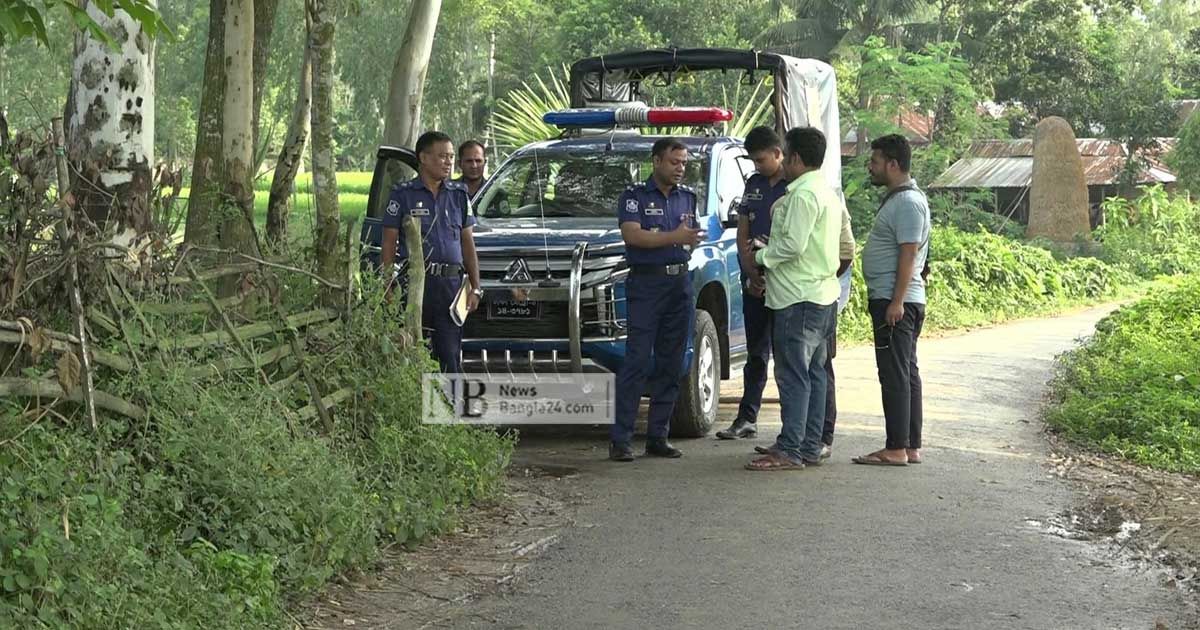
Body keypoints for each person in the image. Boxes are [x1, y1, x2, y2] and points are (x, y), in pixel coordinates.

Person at [745, 127, 841, 471]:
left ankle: (790, 449)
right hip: (820, 294)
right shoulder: (824, 191)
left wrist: (760, 256)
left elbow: (792, 246)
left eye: (786, 153)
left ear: (797, 158)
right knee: (813, 373)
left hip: (797, 296)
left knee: (793, 375)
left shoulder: (801, 196)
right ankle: (808, 444)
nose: (782, 159)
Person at [609, 137, 703, 462]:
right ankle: (621, 439)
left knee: (672, 361)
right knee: (636, 360)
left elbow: (691, 235)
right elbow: (632, 235)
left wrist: (687, 240)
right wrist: (674, 237)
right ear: (657, 161)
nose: (680, 168)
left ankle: (657, 437)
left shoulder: (687, 198)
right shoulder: (635, 197)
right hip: (646, 285)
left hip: (679, 283)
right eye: (674, 162)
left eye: (684, 163)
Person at [852, 134, 931, 467]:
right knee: (904, 369)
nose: (871, 167)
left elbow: (910, 254)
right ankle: (909, 445)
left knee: (895, 373)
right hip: (896, 297)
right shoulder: (901, 199)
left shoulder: (908, 202)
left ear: (893, 165)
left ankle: (896, 447)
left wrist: (896, 302)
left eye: (875, 161)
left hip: (895, 300)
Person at [379, 131, 483, 373]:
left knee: (449, 354)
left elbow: (468, 243)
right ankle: (418, 408)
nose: (448, 162)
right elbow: (389, 243)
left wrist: (476, 286)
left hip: (451, 287)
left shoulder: (458, 195)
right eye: (442, 156)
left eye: (450, 157)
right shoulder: (402, 194)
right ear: (423, 158)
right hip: (416, 285)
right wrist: (387, 283)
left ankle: (450, 409)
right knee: (415, 351)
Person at [716, 126, 789, 441]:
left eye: (761, 159)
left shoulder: (795, 184)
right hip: (754, 281)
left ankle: (793, 428)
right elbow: (742, 231)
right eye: (753, 161)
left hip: (787, 283)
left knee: (788, 357)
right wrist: (751, 272)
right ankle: (747, 418)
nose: (757, 165)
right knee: (756, 354)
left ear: (778, 153)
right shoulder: (754, 184)